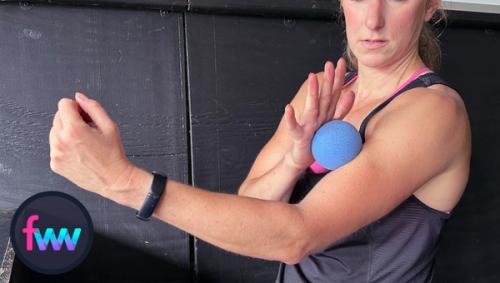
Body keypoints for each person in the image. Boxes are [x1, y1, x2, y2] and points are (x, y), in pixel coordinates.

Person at [49, 0, 471, 281]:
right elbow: (254, 203)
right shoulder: (324, 92)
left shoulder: (434, 112)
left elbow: (295, 238)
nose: (373, 18)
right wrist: (292, 158)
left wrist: (123, 182)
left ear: (431, 4)